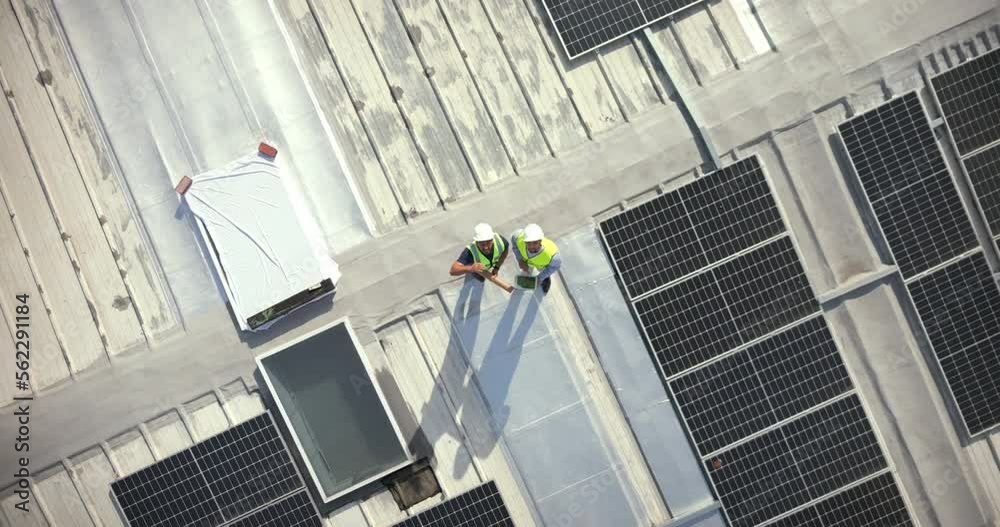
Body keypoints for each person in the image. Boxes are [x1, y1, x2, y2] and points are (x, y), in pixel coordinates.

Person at [511, 223, 561, 294]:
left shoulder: (552, 255)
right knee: (526, 272)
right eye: (528, 243)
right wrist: (520, 260)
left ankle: (545, 279)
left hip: (541, 266)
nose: (531, 246)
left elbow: (555, 267)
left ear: (540, 241)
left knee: (543, 273)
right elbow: (514, 243)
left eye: (535, 243)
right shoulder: (518, 237)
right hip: (526, 262)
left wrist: (540, 277)